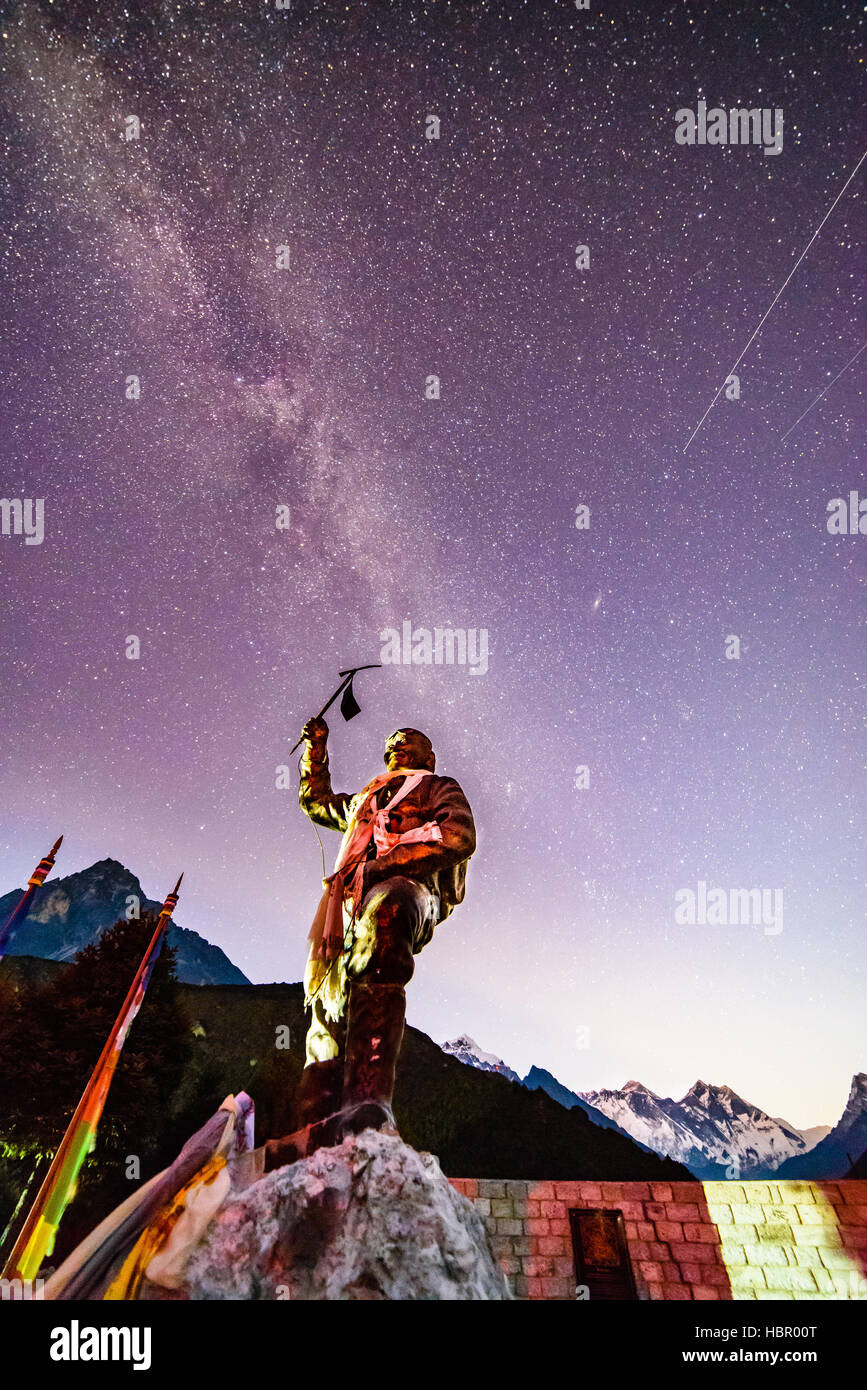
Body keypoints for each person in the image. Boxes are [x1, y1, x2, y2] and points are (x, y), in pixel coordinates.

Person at [264, 721, 476, 1169]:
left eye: (408, 741)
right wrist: (315, 753)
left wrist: (386, 864)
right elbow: (317, 803)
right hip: (346, 901)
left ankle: (367, 1103)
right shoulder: (365, 799)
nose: (396, 746)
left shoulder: (438, 787)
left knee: (388, 916)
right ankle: (315, 1122)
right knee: (329, 998)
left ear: (429, 756)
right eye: (390, 744)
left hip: (408, 887)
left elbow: (458, 836)